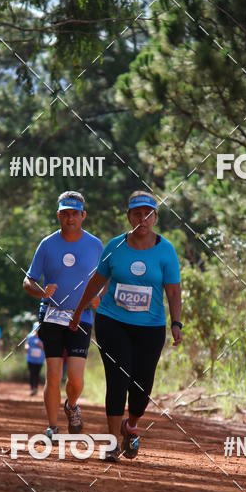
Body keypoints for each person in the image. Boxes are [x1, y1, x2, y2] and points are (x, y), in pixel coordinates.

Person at [70, 191, 182, 462]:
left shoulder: (166, 250)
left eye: (148, 214)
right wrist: (79, 311)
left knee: (142, 387)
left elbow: (173, 291)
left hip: (150, 327)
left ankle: (130, 426)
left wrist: (176, 322)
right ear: (129, 217)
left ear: (155, 218)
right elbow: (97, 282)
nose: (142, 219)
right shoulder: (115, 246)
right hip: (112, 322)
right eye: (137, 214)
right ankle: (111, 443)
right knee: (117, 380)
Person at [23, 191, 103, 439]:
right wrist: (41, 291)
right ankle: (52, 427)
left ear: (83, 215)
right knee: (54, 373)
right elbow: (28, 280)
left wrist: (99, 296)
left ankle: (71, 405)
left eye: (74, 214)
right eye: (65, 214)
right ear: (58, 215)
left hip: (82, 316)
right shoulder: (47, 244)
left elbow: (106, 278)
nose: (70, 218)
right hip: (51, 315)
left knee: (76, 379)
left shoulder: (95, 245)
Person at [25, 325, 45, 396]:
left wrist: (40, 345)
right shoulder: (30, 336)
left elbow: (45, 348)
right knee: (31, 373)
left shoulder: (44, 337)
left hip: (39, 360)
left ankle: (35, 388)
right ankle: (32, 388)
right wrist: (26, 347)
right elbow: (26, 344)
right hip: (30, 359)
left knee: (37, 374)